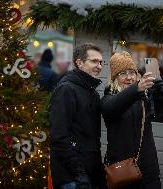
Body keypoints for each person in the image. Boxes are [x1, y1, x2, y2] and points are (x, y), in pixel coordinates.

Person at [101, 51, 163, 189]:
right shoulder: (108, 99)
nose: (129, 77)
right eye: (123, 73)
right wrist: (136, 89)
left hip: (147, 169)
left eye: (132, 73)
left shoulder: (144, 97)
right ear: (114, 78)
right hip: (121, 170)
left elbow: (161, 112)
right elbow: (113, 106)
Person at [49, 43, 105, 189]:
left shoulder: (92, 92)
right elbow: (58, 137)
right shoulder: (66, 89)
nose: (99, 66)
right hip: (71, 178)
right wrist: (79, 173)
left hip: (90, 172)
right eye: (94, 61)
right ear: (79, 63)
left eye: (101, 62)